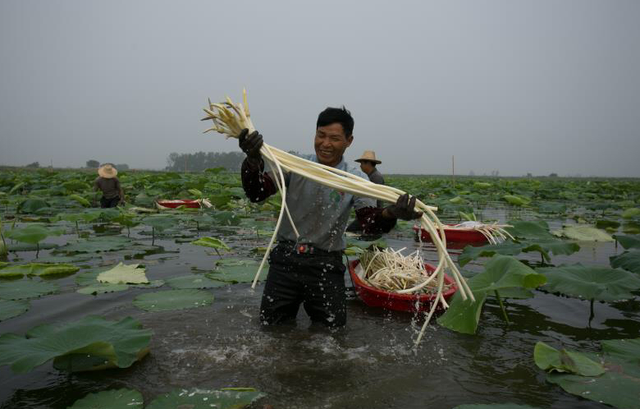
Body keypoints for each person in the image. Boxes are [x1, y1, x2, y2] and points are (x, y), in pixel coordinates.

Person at [238, 106, 422, 328]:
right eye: (320, 135)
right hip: (286, 260)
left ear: (349, 141)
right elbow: (257, 192)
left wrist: (391, 213)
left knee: (331, 335)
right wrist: (252, 160)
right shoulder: (294, 166)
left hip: (326, 264)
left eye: (334, 138)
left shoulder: (355, 179)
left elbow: (369, 223)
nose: (325, 144)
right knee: (273, 329)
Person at [346, 151, 386, 232]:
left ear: (368, 163)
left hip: (373, 214)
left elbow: (373, 200)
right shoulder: (368, 176)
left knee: (350, 230)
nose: (360, 166)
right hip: (367, 213)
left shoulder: (376, 177)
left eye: (362, 163)